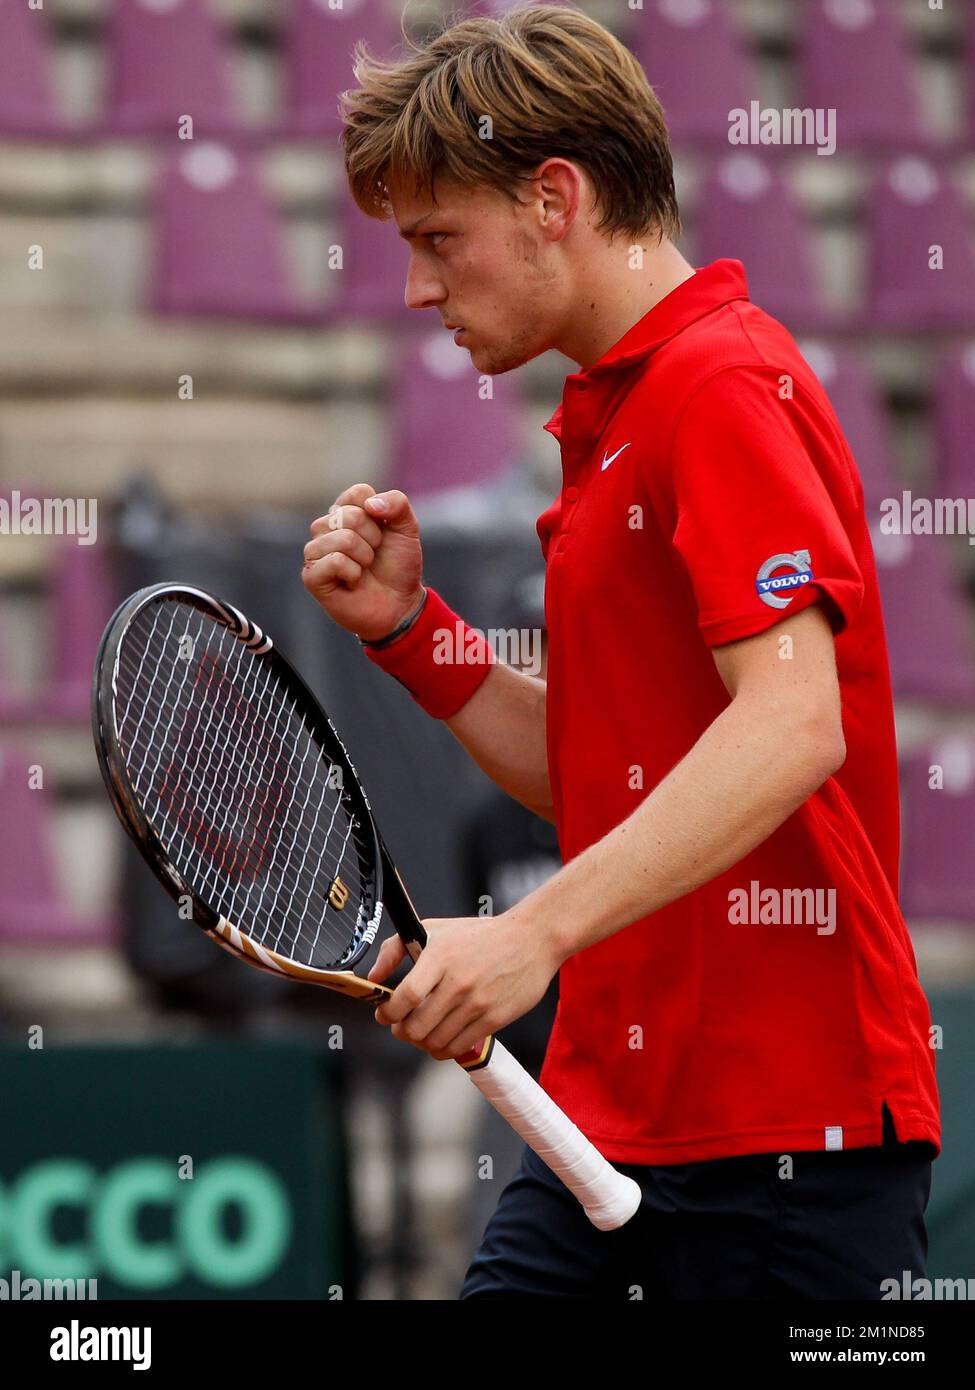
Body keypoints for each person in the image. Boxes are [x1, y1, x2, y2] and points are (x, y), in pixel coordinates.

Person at [301, 6, 940, 1298]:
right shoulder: (626, 413)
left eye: (437, 241)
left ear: (555, 197)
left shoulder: (716, 386)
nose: (418, 288)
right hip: (608, 1124)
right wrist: (416, 637)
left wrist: (530, 931)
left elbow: (792, 721)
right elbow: (614, 779)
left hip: (784, 1155)